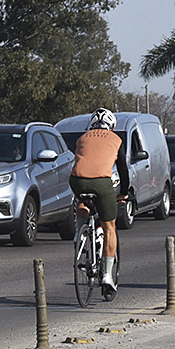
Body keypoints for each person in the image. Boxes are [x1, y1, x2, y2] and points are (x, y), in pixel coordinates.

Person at [68, 108, 123, 292]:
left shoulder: (82, 138)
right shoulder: (116, 139)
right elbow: (123, 169)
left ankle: (80, 233)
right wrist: (124, 193)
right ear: (112, 127)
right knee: (110, 227)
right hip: (102, 182)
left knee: (83, 201)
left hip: (77, 181)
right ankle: (107, 276)